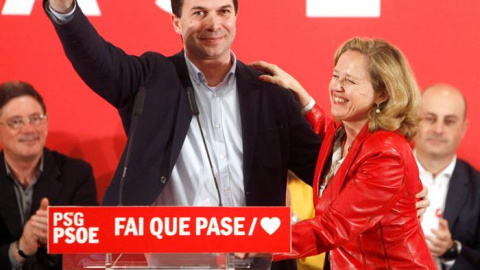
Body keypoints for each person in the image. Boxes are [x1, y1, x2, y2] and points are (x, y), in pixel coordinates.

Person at [44, 0, 322, 269]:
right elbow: (98, 60)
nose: (214, 24)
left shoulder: (270, 93)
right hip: (170, 264)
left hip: (256, 263)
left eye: (223, 11)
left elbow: (325, 172)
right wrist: (64, 7)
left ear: (236, 16)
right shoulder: (150, 80)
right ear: (176, 22)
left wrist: (309, 104)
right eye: (199, 13)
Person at [251, 37, 436, 269]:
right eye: (336, 76)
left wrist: (253, 240)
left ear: (382, 94)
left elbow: (332, 226)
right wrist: (299, 93)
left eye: (349, 81)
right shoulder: (344, 133)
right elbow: (328, 131)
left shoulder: (388, 154)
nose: (337, 86)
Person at [0, 81, 98, 270]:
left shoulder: (77, 174)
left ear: (47, 121)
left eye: (36, 118)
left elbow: (90, 255)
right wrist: (19, 250)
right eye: (16, 122)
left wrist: (57, 237)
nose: (29, 129)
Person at [414, 84, 480, 270]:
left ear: (464, 128)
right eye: (430, 118)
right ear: (414, 119)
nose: (438, 129)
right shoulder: (381, 174)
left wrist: (452, 251)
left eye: (449, 121)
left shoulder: (477, 188)